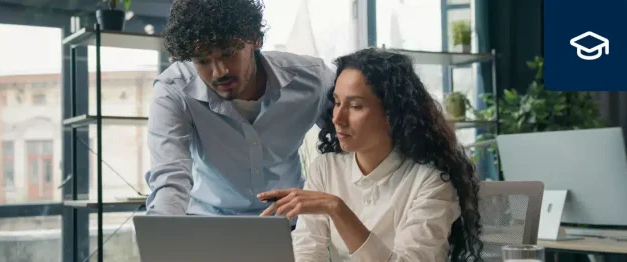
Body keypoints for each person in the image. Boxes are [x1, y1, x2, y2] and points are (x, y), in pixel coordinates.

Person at [257, 48, 484, 262]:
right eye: (337, 103)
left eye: (355, 106)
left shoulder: (430, 182)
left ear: (392, 114)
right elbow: (307, 250)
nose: (337, 118)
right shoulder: (326, 168)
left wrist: (338, 210)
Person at [145, 0, 334, 216]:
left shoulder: (313, 79)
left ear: (255, 40)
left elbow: (351, 146)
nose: (219, 72)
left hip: (289, 223)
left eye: (228, 52)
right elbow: (170, 177)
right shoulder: (174, 89)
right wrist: (163, 239)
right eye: (203, 60)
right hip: (208, 223)